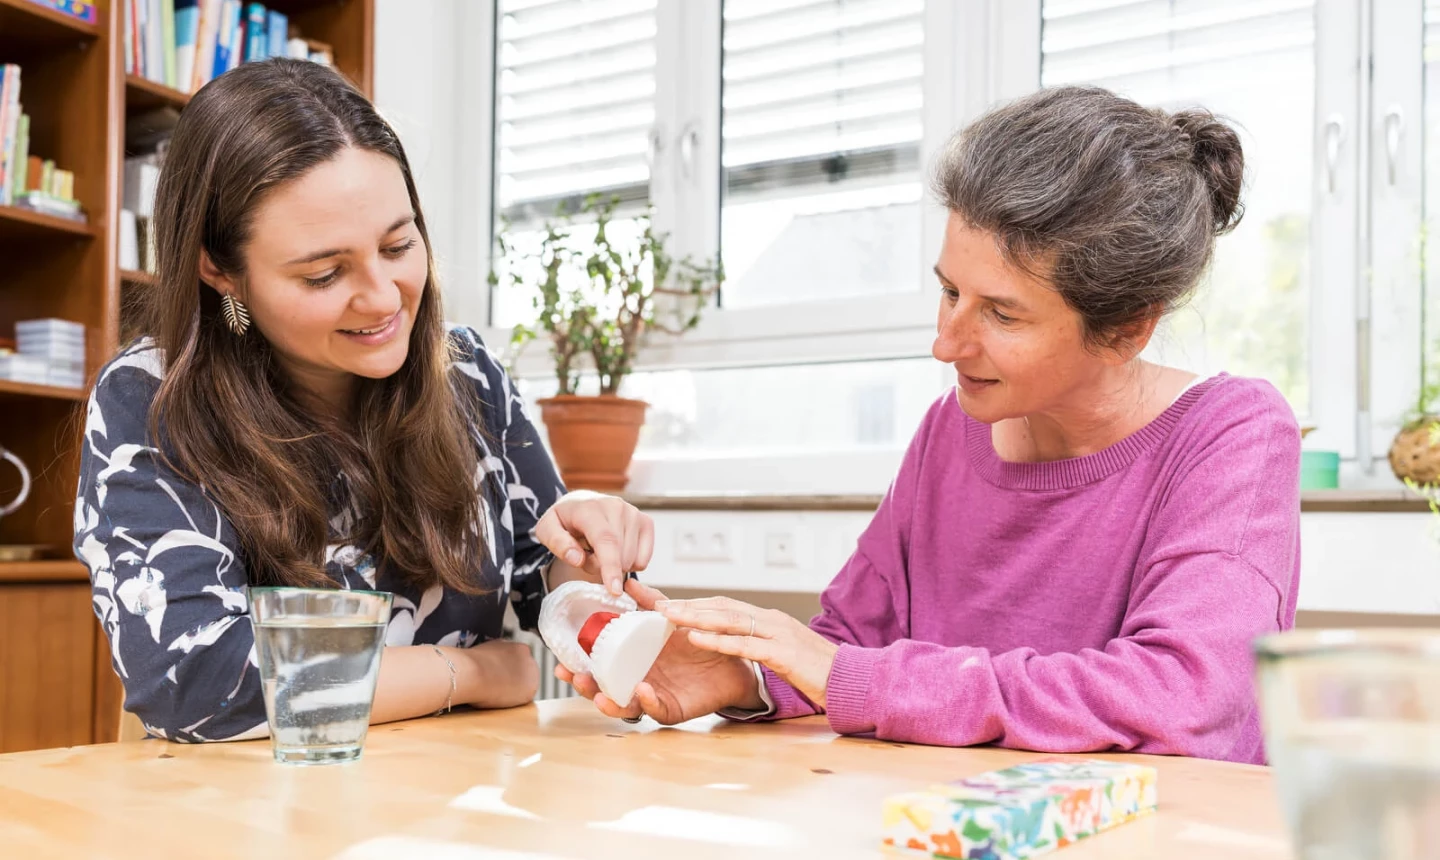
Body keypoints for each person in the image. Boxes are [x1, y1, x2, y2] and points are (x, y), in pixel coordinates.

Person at [559, 86, 1301, 765]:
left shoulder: (1233, 434)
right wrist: (746, 677)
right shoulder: (955, 425)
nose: (946, 344)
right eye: (949, 291)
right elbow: (850, 648)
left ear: (1130, 326)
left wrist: (846, 676)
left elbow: (1181, 698)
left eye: (1002, 314)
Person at [74, 58, 652, 743]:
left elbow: (542, 581)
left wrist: (582, 549)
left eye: (399, 244)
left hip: (450, 809)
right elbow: (199, 681)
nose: (383, 298)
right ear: (219, 268)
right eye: (324, 273)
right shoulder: (152, 399)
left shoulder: (466, 373)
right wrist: (468, 675)